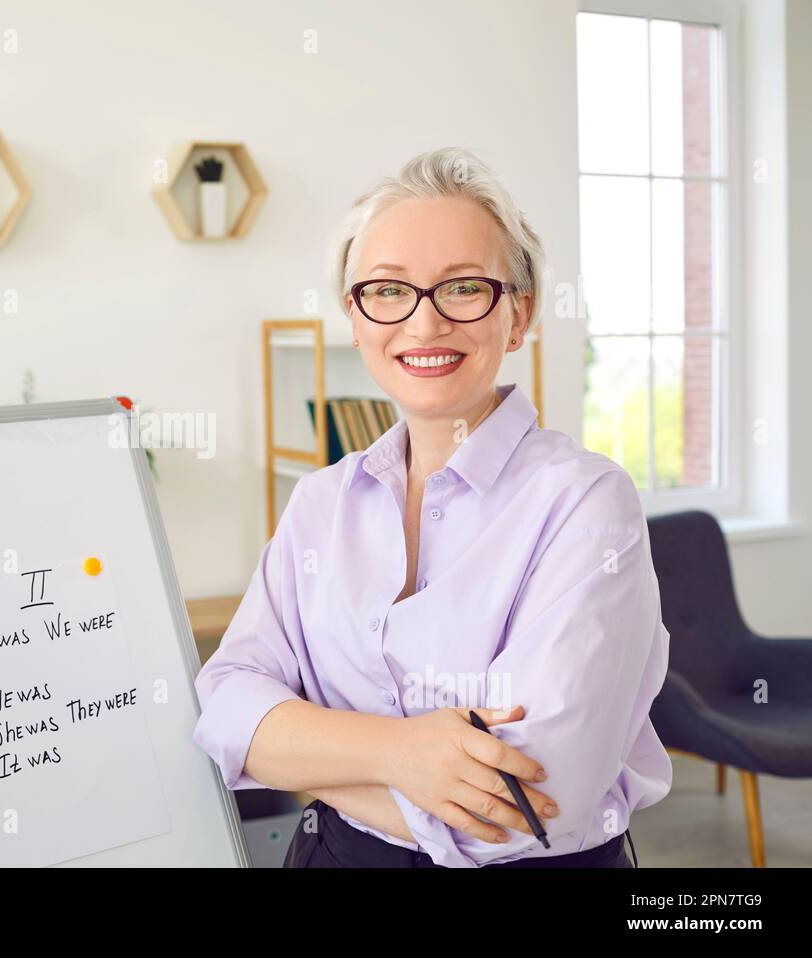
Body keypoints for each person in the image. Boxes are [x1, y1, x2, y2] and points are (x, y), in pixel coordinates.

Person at [193, 146, 671, 868]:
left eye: (464, 287)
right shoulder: (321, 503)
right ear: (355, 319)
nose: (423, 324)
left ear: (519, 315)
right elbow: (227, 706)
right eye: (387, 290)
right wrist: (404, 753)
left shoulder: (586, 504)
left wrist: (307, 755)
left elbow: (519, 807)